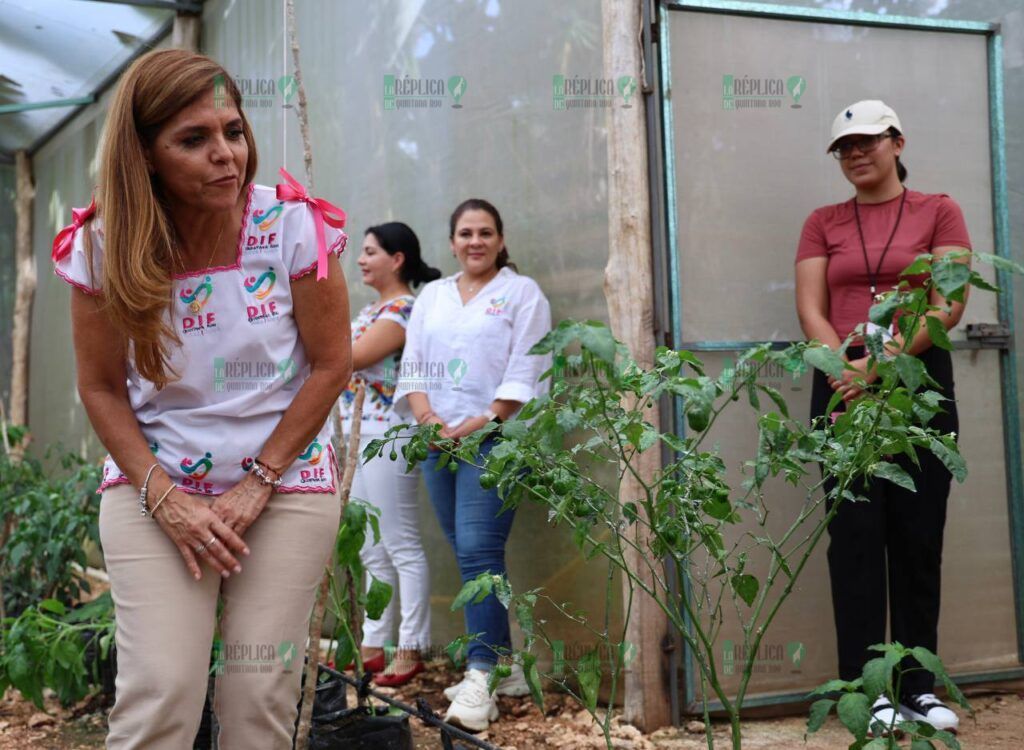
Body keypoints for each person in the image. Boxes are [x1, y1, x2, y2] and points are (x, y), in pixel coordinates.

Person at [52, 49, 351, 750]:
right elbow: (99, 386)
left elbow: (332, 364)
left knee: (258, 700)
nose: (226, 156)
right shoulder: (101, 246)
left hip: (284, 484)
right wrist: (164, 495)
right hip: (154, 485)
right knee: (160, 694)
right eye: (194, 139)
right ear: (146, 155)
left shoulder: (293, 226)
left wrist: (259, 483)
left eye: (233, 131)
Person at [795, 100, 971, 734]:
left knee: (919, 540)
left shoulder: (939, 210)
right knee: (857, 542)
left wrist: (884, 365)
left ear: (898, 142)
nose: (855, 154)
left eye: (868, 141)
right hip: (843, 389)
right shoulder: (823, 222)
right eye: (844, 147)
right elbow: (812, 309)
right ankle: (867, 692)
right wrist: (845, 368)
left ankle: (918, 689)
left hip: (917, 388)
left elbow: (947, 303)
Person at [393, 199, 551, 732]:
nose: (476, 241)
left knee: (481, 549)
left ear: (501, 240)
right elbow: (411, 364)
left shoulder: (521, 293)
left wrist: (486, 418)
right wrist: (429, 420)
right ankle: (505, 666)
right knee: (467, 551)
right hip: (438, 440)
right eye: (466, 233)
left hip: (495, 439)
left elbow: (530, 363)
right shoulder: (433, 296)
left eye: (486, 233)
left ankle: (481, 673)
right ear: (453, 242)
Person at [340, 222, 440, 686]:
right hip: (360, 435)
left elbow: (352, 358)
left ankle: (412, 646)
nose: (360, 260)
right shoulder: (372, 309)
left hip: (392, 435)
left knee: (399, 543)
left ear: (397, 259)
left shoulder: (403, 310)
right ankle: (373, 643)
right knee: (370, 545)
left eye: (370, 252)